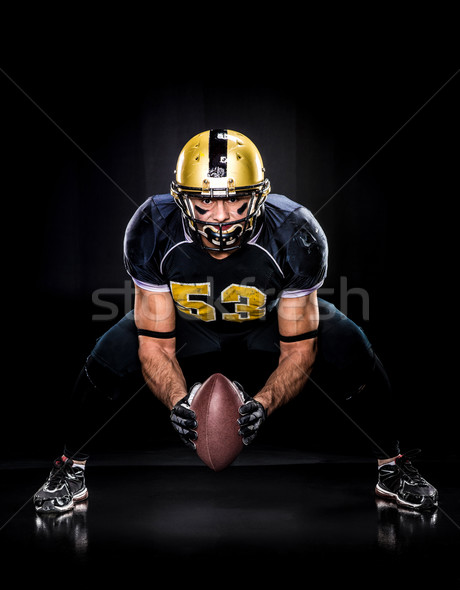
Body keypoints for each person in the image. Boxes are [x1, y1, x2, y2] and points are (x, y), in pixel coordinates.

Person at [33, 129, 438, 514]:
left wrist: (263, 402)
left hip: (267, 319)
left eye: (236, 201)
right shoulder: (152, 226)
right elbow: (156, 344)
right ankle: (70, 465)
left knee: (349, 341)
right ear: (182, 200)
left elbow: (300, 350)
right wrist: (179, 400)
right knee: (110, 353)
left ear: (259, 196)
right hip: (188, 320)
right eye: (205, 202)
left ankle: (392, 464)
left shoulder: (295, 232)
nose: (222, 217)